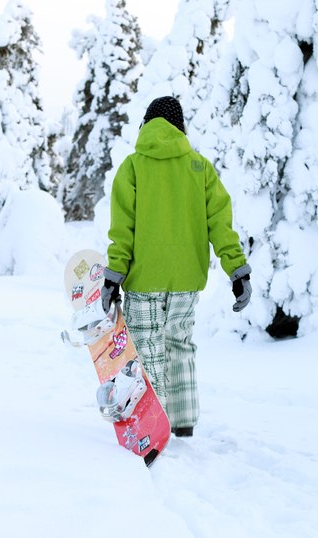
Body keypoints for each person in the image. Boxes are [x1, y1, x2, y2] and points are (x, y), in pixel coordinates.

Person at [100, 96, 252, 438]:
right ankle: (183, 421)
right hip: (187, 281)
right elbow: (220, 223)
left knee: (148, 349)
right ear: (180, 128)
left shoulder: (133, 167)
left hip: (144, 279)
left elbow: (122, 230)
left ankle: (154, 425)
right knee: (180, 345)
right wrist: (237, 269)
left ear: (146, 124)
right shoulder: (199, 167)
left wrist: (113, 276)